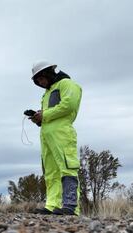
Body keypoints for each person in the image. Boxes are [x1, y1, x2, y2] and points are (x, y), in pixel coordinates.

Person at [29, 61, 82, 216]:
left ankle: (71, 206)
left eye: (41, 79)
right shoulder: (46, 93)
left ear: (48, 73)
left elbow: (68, 105)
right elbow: (51, 112)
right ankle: (52, 205)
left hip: (62, 133)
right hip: (46, 135)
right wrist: (38, 118)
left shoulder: (67, 84)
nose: (40, 82)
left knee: (67, 167)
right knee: (51, 172)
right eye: (37, 81)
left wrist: (44, 114)